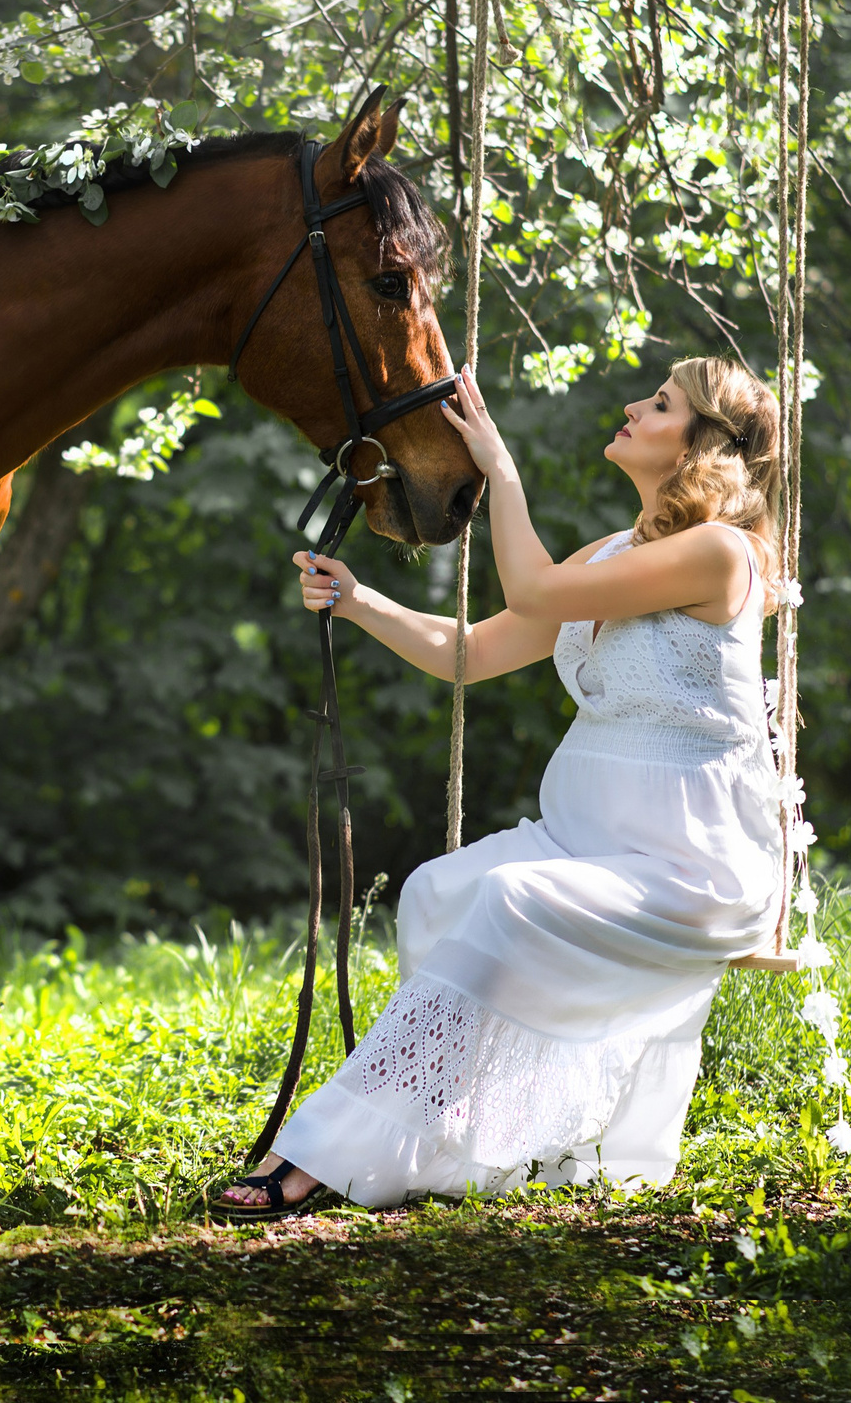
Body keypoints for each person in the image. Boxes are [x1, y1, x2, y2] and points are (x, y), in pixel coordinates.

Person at [212, 355, 788, 1218]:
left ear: (700, 444)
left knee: (508, 901)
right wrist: (360, 601)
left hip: (686, 868)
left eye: (661, 403)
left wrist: (501, 470)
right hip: (583, 843)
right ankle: (440, 1135)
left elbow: (533, 586)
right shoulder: (615, 553)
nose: (634, 405)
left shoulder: (719, 553)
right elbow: (471, 652)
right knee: (436, 891)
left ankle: (316, 1156)